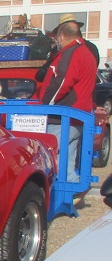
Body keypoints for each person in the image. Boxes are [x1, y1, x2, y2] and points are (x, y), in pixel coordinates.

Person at [38, 19, 97, 183]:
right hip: (78, 115)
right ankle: (70, 190)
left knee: (54, 157)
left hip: (63, 115)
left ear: (62, 36)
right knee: (68, 160)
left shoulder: (71, 53)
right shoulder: (87, 53)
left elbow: (62, 81)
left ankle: (58, 194)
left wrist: (46, 104)